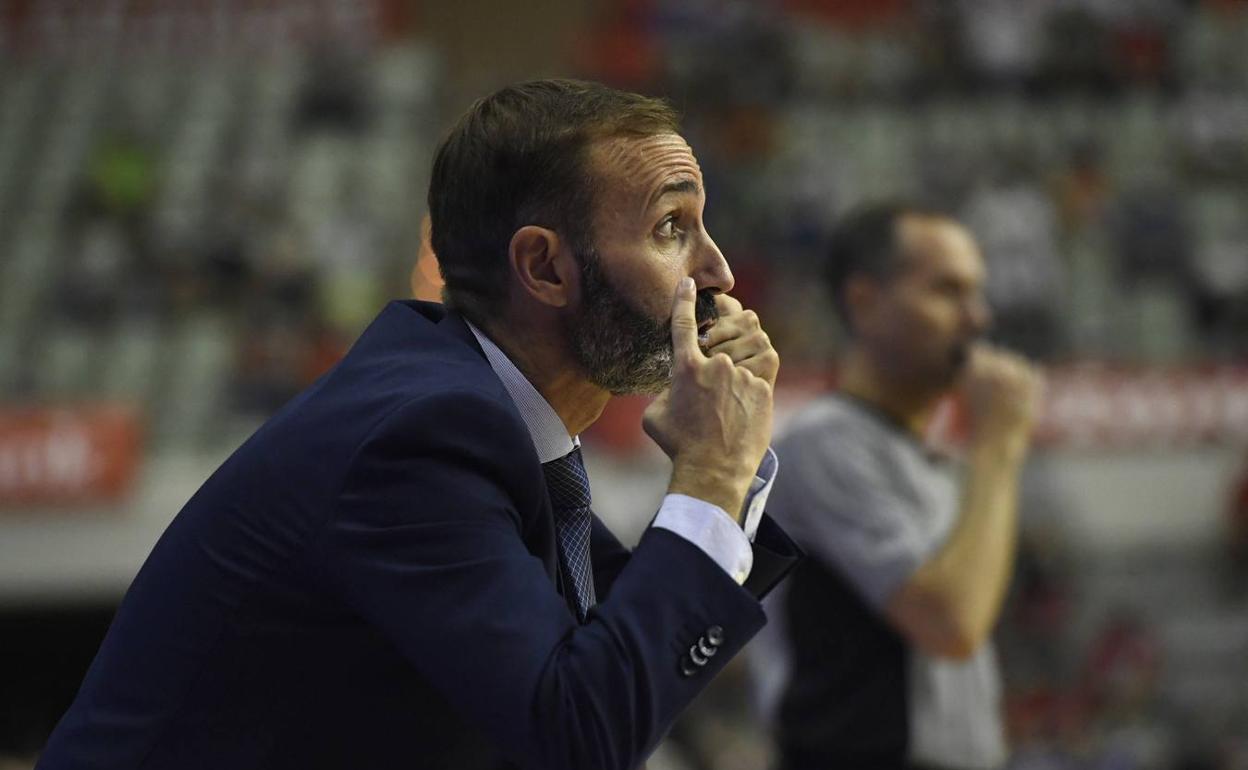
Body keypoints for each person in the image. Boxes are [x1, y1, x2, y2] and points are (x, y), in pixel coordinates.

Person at [37, 80, 801, 770]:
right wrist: (709, 475)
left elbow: (615, 651)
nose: (719, 271)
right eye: (673, 227)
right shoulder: (421, 436)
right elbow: (580, 732)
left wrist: (731, 474)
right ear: (544, 269)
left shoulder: (480, 411)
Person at [754, 203, 1043, 770]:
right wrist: (997, 449)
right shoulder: (826, 442)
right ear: (864, 301)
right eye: (948, 292)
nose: (978, 319)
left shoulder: (930, 459)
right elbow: (950, 622)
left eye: (977, 294)